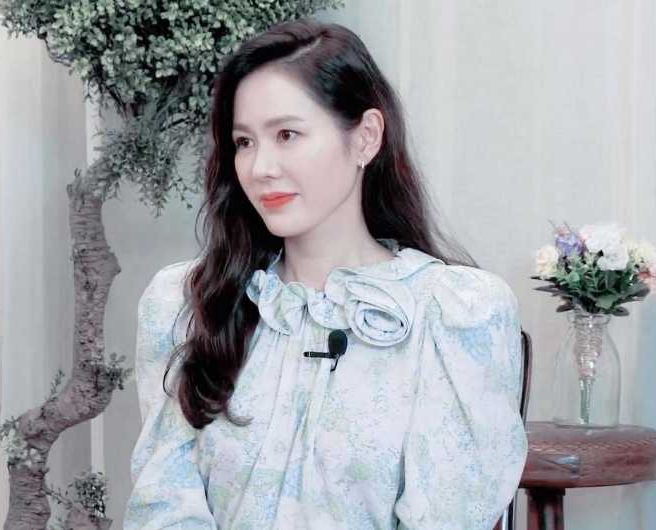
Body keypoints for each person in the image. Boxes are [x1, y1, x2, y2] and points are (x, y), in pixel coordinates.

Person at [123, 18, 527, 530]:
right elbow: (164, 503)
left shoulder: (453, 313)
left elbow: (450, 514)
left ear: (365, 139)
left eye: (286, 135)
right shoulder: (189, 302)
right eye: (244, 142)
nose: (260, 167)